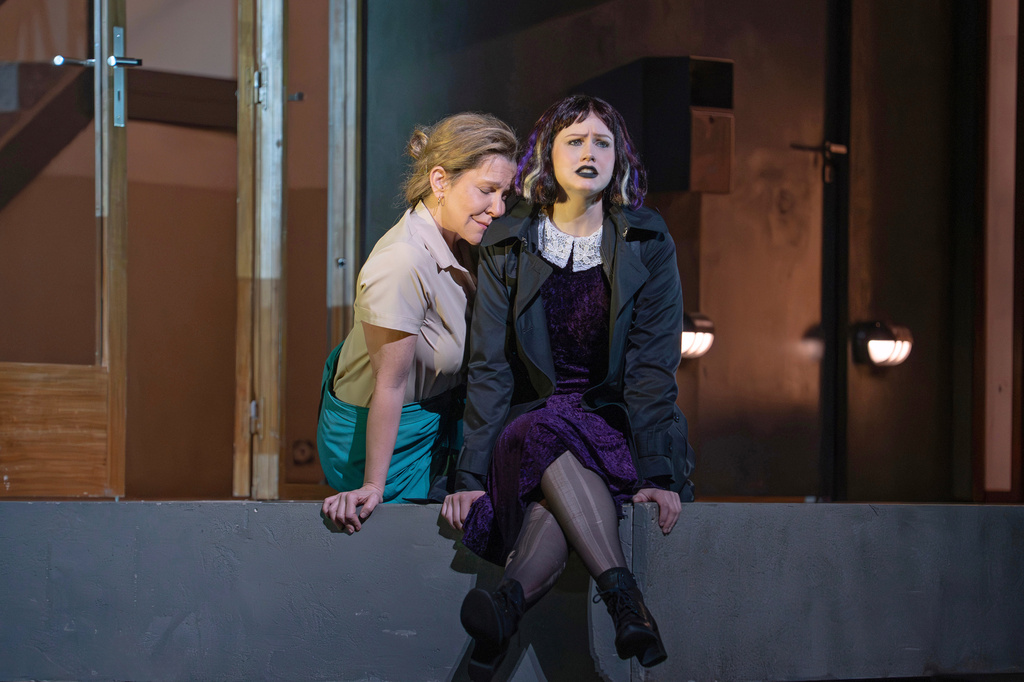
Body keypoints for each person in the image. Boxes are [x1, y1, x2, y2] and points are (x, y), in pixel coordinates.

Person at [441, 95, 695, 680]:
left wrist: (658, 474)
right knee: (548, 425)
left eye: (602, 142)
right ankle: (624, 598)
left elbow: (653, 369)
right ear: (546, 158)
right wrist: (470, 476)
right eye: (574, 141)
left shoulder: (648, 243)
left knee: (555, 494)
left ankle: (506, 607)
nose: (589, 152)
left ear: (618, 159)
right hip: (529, 427)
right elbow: (489, 368)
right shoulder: (508, 244)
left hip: (616, 428)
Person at [319, 113, 518, 535]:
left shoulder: (465, 243)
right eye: (487, 191)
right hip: (383, 436)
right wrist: (372, 484)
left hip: (437, 423)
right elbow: (388, 386)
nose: (498, 209)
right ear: (440, 181)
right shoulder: (402, 261)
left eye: (504, 194)